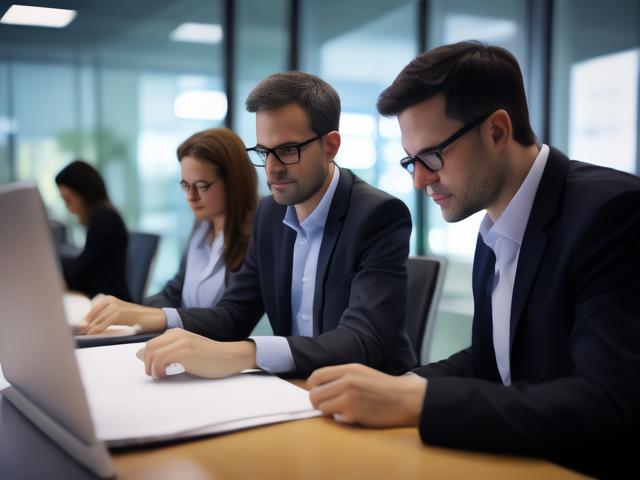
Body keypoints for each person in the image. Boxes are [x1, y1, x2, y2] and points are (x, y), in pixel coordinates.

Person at [307, 41, 640, 477]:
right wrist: (398, 385)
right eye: (412, 161)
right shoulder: (493, 228)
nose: (420, 180)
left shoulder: (612, 215)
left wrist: (414, 402)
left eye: (431, 156)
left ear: (497, 131)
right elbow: (491, 362)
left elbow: (607, 406)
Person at [136, 71, 417, 380]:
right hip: (293, 388)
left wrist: (245, 353)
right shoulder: (268, 214)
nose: (271, 169)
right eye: (263, 152)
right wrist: (165, 325)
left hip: (371, 396)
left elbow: (362, 339)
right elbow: (234, 313)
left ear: (330, 146)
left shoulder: (378, 215)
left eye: (286, 150)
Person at [82, 128, 259, 335]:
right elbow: (174, 290)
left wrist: (152, 316)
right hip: (180, 344)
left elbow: (231, 320)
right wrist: (131, 309)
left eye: (201, 186)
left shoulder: (256, 236)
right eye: (185, 185)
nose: (191, 197)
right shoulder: (202, 227)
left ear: (233, 182)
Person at [55, 160, 131, 301]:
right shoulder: (104, 217)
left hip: (113, 308)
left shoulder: (105, 221)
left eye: (68, 200)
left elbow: (79, 272)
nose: (68, 208)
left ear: (83, 194)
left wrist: (51, 261)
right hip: (103, 302)